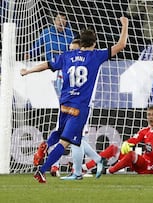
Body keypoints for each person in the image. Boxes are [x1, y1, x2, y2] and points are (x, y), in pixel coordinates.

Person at [20, 16, 129, 183]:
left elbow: (47, 65)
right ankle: (42, 171)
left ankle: (48, 146)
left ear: (80, 41)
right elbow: (121, 45)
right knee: (65, 142)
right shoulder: (95, 56)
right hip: (80, 108)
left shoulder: (67, 55)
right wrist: (125, 25)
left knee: (65, 135)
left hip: (64, 104)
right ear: (93, 44)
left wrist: (28, 71)